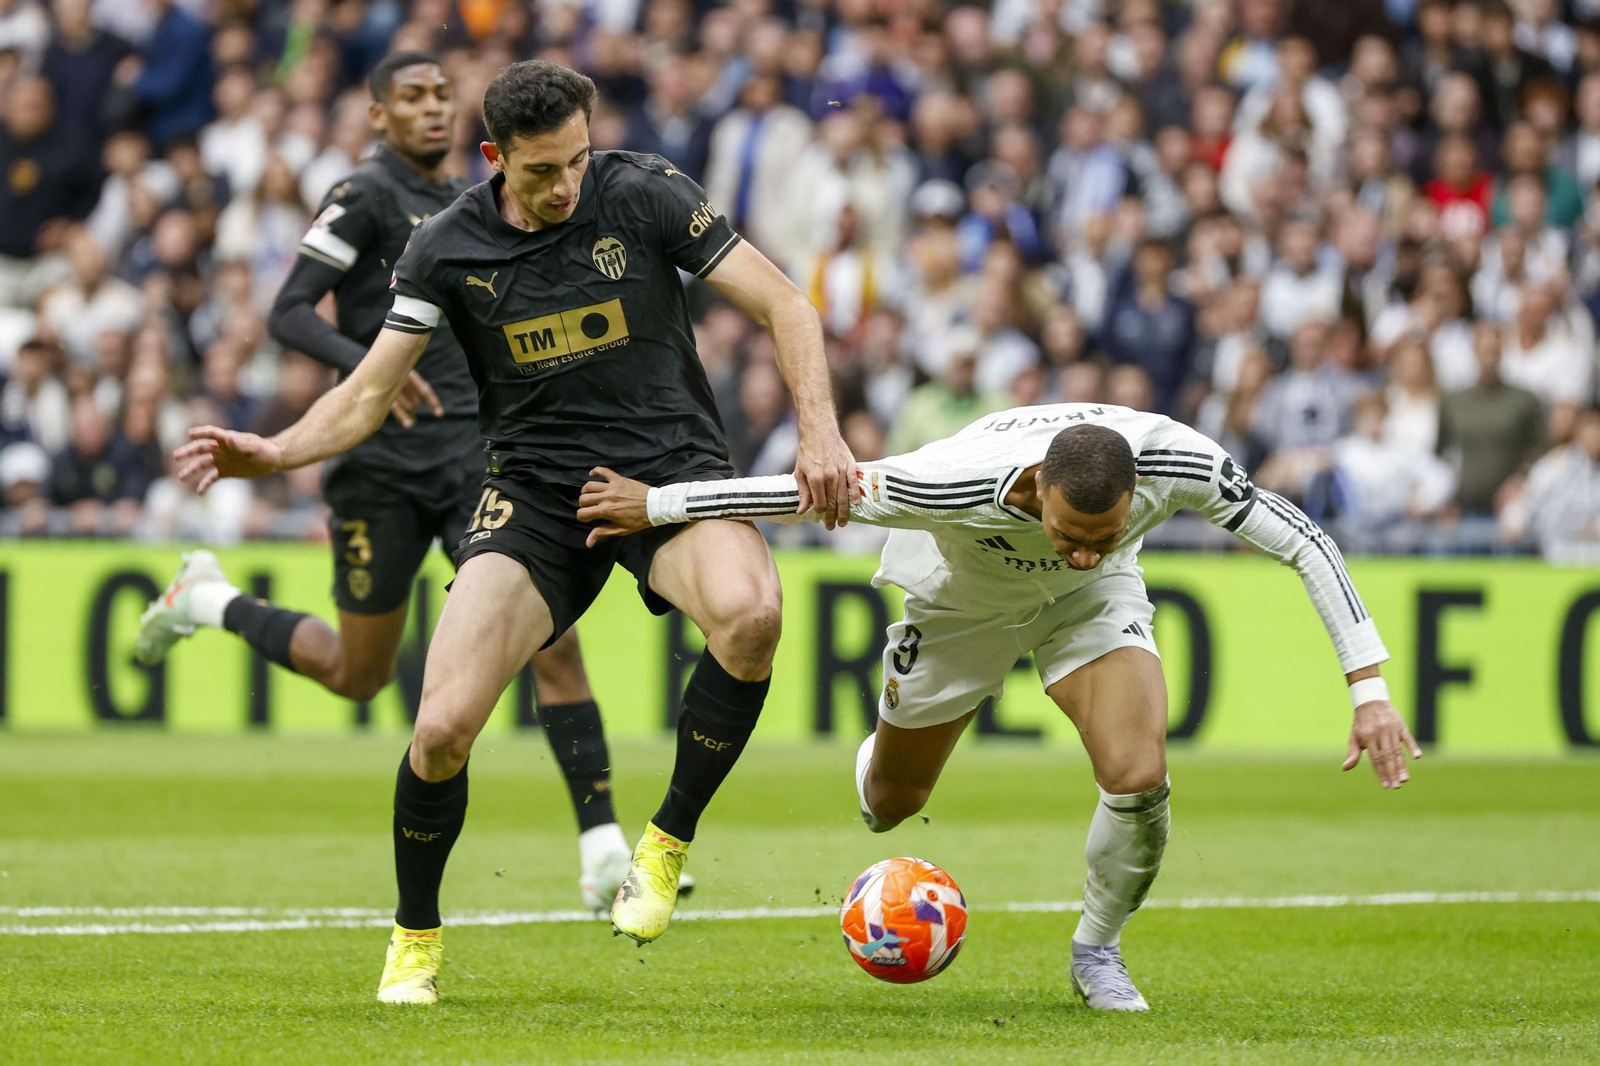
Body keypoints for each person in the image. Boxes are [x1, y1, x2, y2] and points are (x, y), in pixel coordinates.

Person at [168, 60, 853, 1004]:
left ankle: (659, 846)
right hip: (537, 494)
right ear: (495, 158)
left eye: (576, 160)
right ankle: (414, 937)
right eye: (542, 172)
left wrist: (821, 430)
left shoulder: (646, 191)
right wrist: (277, 451)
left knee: (751, 616)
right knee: (442, 728)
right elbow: (369, 391)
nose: (566, 185)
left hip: (671, 473)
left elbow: (787, 303)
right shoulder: (445, 248)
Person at [577, 401, 1418, 1013]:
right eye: (1069, 532)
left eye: (1108, 534)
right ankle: (889, 747)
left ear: (1135, 499)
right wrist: (652, 506)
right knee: (889, 808)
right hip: (957, 609)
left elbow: (1305, 541)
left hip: (1086, 613)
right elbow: (800, 492)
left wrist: (1369, 690)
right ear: (1035, 492)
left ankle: (1097, 950)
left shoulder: (1178, 465)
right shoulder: (948, 482)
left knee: (1139, 773)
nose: (1086, 549)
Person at [135, 52, 652, 916]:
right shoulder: (365, 195)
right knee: (359, 674)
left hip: (476, 459)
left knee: (549, 639)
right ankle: (208, 599)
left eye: (443, 95)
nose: (431, 109)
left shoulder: (484, 202)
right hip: (377, 463)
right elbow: (289, 309)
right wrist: (362, 369)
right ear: (377, 116)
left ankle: (601, 849)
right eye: (411, 97)